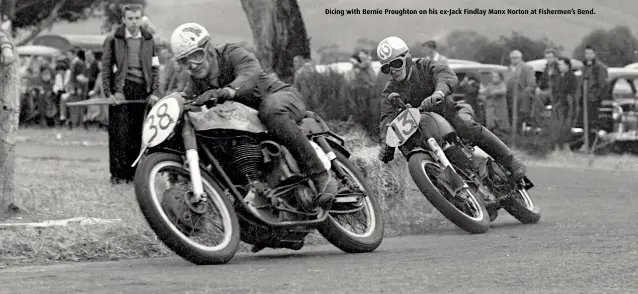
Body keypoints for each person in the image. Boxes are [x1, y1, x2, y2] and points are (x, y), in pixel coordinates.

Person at [171, 23, 337, 208]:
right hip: (252, 125)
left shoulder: (232, 54)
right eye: (184, 61)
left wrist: (228, 91)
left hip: (281, 98)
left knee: (270, 110)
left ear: (208, 48)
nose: (192, 64)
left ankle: (320, 174)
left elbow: (250, 73)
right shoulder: (195, 82)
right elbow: (185, 97)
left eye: (196, 55)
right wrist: (171, 103)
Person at [376, 36, 527, 182]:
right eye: (386, 68)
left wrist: (439, 92)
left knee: (465, 125)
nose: (392, 70)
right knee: (411, 151)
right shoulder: (390, 91)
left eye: (396, 63)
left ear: (407, 57)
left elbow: (446, 75)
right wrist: (385, 143)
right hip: (422, 131)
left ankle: (511, 162)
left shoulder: (424, 66)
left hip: (450, 113)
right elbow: (386, 119)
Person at [101, 4, 160, 184]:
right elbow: (105, 68)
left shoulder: (149, 40)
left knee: (136, 134)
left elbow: (155, 68)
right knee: (119, 134)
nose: (134, 22)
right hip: (121, 89)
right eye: (130, 18)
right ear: (123, 20)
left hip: (142, 90)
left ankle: (131, 174)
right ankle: (117, 175)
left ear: (141, 19)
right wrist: (110, 94)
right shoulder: (114, 39)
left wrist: (155, 92)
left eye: (137, 18)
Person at [508, 50, 537, 130]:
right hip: (508, 97)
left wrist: (521, 95)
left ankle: (518, 132)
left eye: (515, 58)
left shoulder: (527, 68)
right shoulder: (509, 69)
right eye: (512, 58)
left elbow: (531, 84)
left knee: (518, 118)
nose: (513, 60)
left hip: (520, 97)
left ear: (520, 58)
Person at [581, 45, 608, 131]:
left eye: (590, 53)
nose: (588, 55)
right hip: (585, 99)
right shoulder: (584, 67)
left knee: (593, 123)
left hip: (593, 100)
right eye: (586, 53)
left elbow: (603, 84)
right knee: (586, 123)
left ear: (594, 54)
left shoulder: (599, 67)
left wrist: (596, 97)